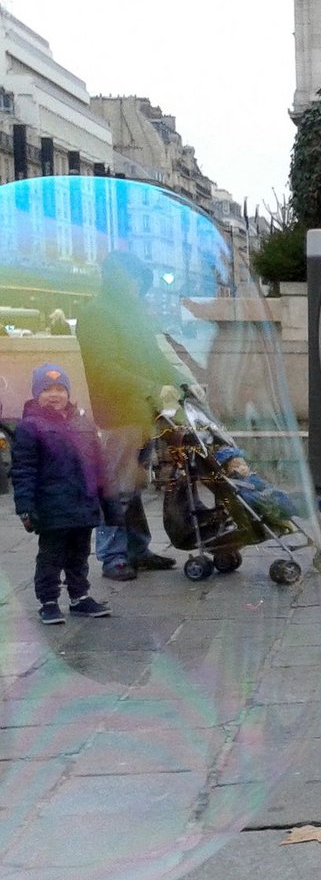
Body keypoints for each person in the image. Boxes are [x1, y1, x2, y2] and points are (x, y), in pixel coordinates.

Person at [75, 252, 181, 581]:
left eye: (140, 280)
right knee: (115, 488)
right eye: (133, 279)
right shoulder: (97, 315)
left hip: (142, 414)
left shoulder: (133, 314)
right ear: (120, 279)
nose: (138, 286)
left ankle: (136, 548)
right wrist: (152, 386)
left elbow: (154, 358)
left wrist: (184, 384)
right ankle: (112, 555)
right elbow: (104, 370)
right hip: (117, 414)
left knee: (132, 485)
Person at [11, 364, 113, 624]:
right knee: (51, 555)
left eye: (59, 389)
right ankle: (48, 601)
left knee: (79, 554)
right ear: (36, 394)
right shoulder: (30, 427)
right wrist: (25, 506)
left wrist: (107, 501)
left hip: (82, 504)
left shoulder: (83, 423)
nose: (54, 395)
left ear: (68, 392)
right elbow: (23, 470)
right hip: (51, 506)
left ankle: (80, 596)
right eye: (46, 390)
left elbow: (98, 466)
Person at [214, 447, 321, 523]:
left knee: (304, 496)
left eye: (243, 464)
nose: (243, 468)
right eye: (237, 466)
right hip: (274, 506)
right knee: (305, 501)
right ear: (228, 471)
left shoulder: (247, 480)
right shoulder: (241, 486)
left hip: (276, 500)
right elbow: (254, 498)